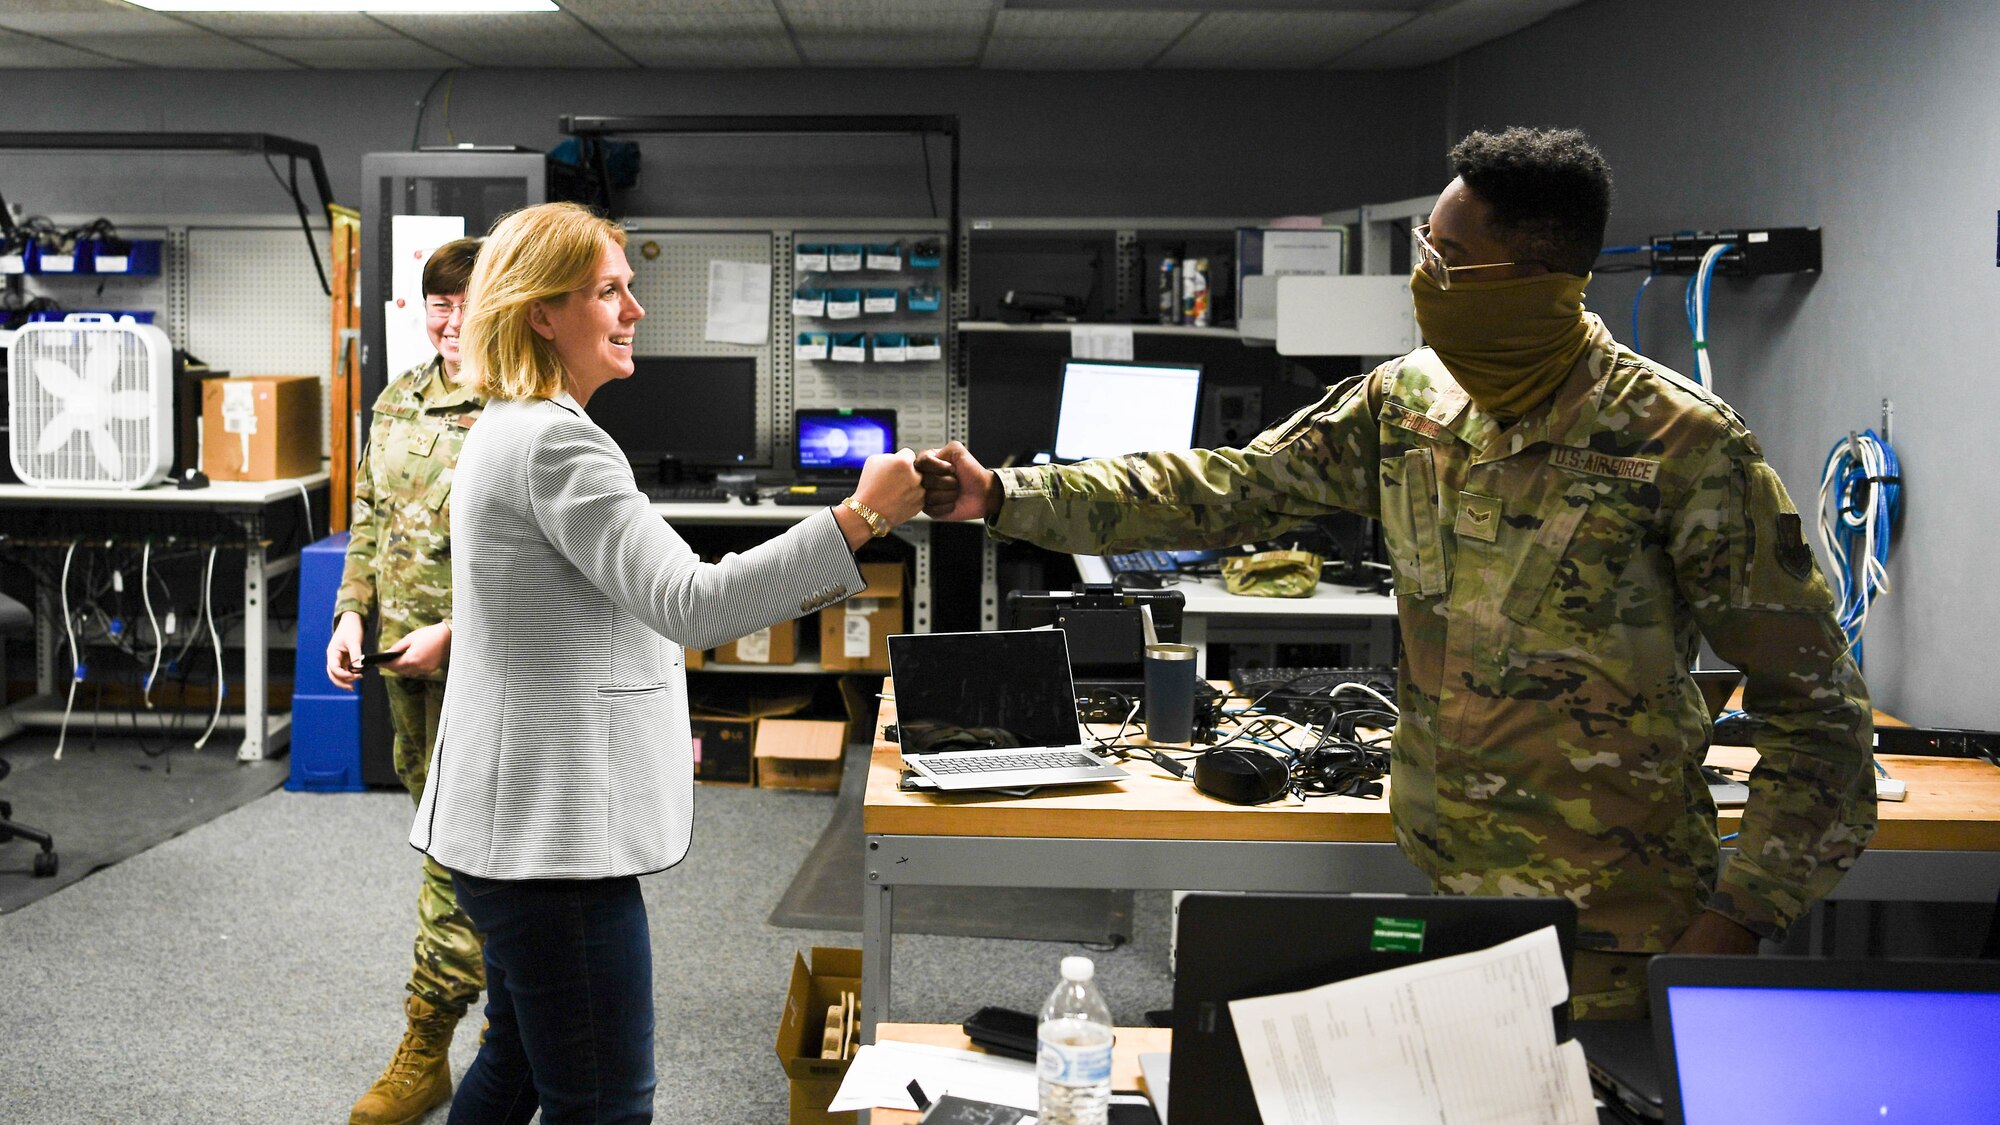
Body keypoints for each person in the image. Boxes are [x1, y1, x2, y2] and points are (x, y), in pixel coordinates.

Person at [919, 127, 1876, 1019]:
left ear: (1534, 279)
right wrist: (1004, 496)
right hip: (1438, 893)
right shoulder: (1410, 399)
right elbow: (1228, 486)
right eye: (1429, 244)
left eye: (1448, 258)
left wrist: (1735, 921)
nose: (1425, 276)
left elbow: (1821, 715)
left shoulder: (1682, 444)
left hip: (1619, 931)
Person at [410, 201, 924, 1123]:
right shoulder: (560, 442)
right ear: (542, 311)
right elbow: (697, 602)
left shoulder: (508, 423)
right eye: (609, 290)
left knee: (519, 1065)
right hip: (551, 846)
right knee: (606, 1102)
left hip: (510, 827)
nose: (634, 309)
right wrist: (862, 518)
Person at [327, 236, 488, 1125]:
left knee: (466, 851)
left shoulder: (522, 409)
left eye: (469, 302)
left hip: (491, 671)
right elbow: (368, 517)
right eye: (438, 303)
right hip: (407, 668)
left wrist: (459, 638)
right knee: (441, 837)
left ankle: (433, 1040)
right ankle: (496, 1033)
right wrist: (353, 612)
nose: (453, 320)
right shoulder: (396, 400)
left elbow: (545, 571)